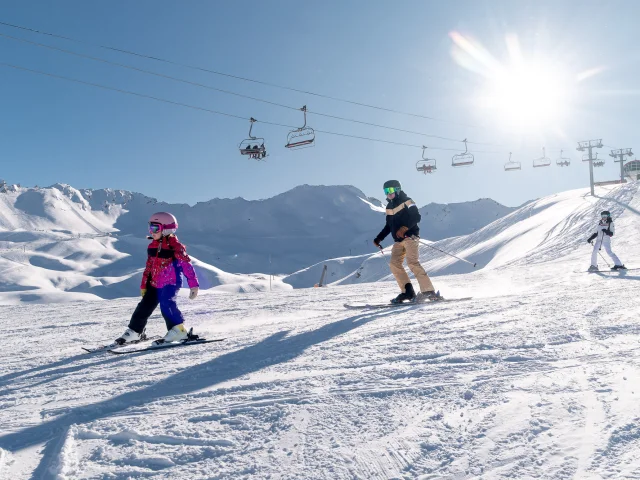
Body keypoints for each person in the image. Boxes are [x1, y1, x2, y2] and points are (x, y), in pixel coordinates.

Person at [115, 212, 200, 345]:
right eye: (150, 227)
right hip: (155, 283)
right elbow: (149, 267)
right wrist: (144, 285)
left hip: (171, 283)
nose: (151, 231)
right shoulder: (152, 246)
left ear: (166, 229)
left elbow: (187, 266)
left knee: (167, 303)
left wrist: (193, 285)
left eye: (155, 228)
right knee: (144, 306)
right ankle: (134, 331)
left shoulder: (176, 247)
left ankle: (178, 330)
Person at [373, 180, 440, 303]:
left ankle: (428, 291)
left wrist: (405, 228)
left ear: (397, 189)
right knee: (394, 264)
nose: (388, 194)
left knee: (412, 262)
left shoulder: (408, 201)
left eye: (391, 190)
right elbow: (388, 226)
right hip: (398, 241)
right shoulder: (389, 207)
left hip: (410, 237)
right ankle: (407, 292)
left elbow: (416, 217)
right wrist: (379, 238)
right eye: (386, 191)